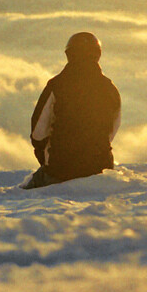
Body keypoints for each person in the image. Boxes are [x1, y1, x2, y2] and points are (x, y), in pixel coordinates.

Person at [24, 32, 121, 189]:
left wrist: (45, 156)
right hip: (100, 170)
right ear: (98, 55)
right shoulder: (110, 88)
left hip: (60, 170)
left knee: (25, 192)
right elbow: (112, 129)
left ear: (69, 54)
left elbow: (38, 132)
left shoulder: (56, 85)